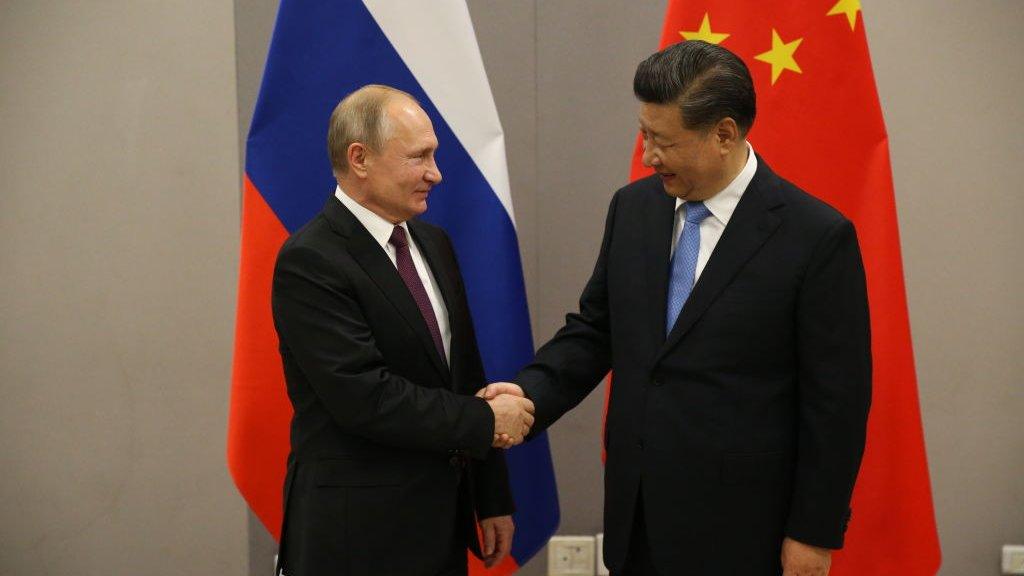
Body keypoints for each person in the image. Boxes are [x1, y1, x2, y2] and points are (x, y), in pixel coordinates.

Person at [481, 41, 871, 575]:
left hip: (745, 532)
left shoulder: (816, 238)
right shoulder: (634, 209)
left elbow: (837, 406)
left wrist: (813, 533)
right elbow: (597, 330)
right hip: (636, 519)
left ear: (724, 134)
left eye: (662, 141)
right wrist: (529, 394)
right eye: (644, 134)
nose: (647, 156)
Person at [271, 84, 535, 576]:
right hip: (355, 536)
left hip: (438, 526)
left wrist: (491, 495)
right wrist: (486, 422)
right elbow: (364, 397)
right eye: (420, 157)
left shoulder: (433, 243)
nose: (436, 173)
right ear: (360, 159)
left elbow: (464, 372)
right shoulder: (311, 260)